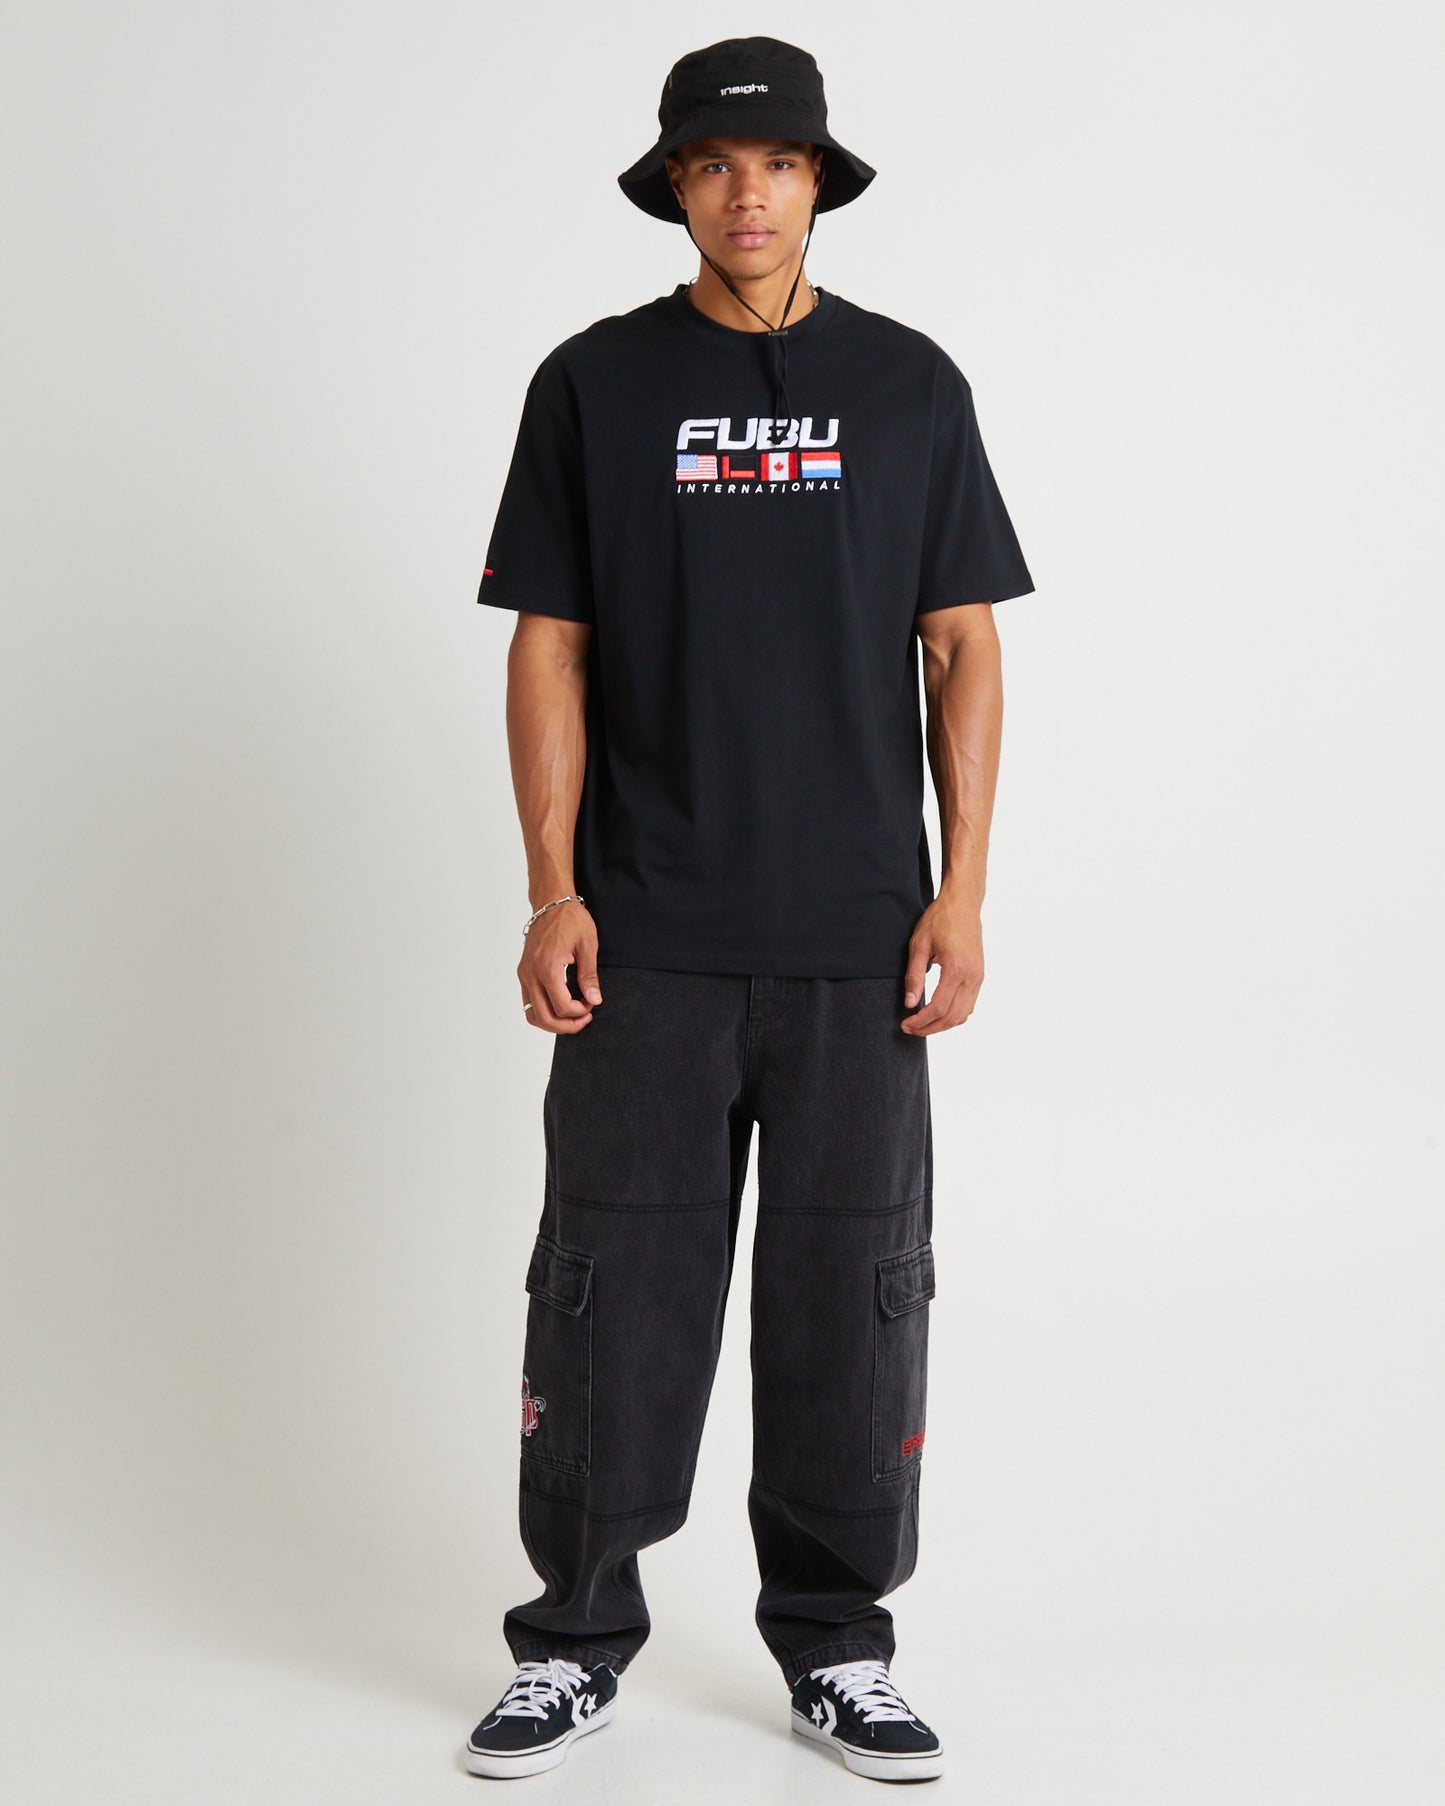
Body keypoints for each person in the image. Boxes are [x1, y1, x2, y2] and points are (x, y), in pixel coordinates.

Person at [462, 35, 1034, 1784]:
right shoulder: (594, 384)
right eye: (713, 164)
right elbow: (548, 647)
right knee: (608, 1293)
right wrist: (553, 888)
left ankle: (838, 1644)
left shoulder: (909, 385)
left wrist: (960, 890)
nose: (747, 193)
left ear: (817, 181)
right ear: (674, 187)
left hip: (857, 937)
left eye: (777, 162)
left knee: (853, 1291)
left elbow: (962, 646)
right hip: (645, 934)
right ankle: (572, 1640)